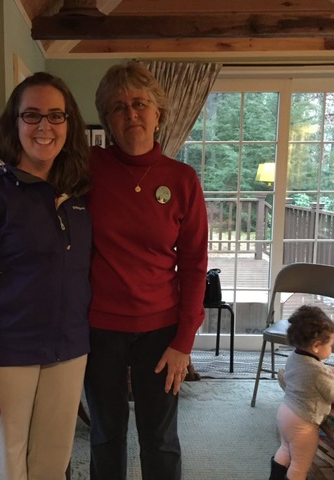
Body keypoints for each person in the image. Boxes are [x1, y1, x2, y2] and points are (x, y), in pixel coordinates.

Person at [0, 72, 91, 480]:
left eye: (56, 116)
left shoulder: (75, 198)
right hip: (7, 356)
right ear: (14, 123)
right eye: (32, 115)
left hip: (68, 350)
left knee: (53, 463)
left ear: (69, 125)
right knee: (6, 465)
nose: (45, 126)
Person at [85, 60, 209, 480]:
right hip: (98, 328)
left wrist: (184, 341)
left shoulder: (182, 180)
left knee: (159, 438)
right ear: (107, 118)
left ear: (159, 114)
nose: (131, 114)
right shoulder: (88, 169)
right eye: (118, 107)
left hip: (161, 331)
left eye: (140, 104)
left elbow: (194, 264)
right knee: (105, 433)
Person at [270, 305, 334, 480]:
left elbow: (305, 375)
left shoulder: (294, 356)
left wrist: (325, 372)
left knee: (285, 449)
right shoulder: (318, 372)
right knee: (299, 465)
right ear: (316, 345)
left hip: (285, 413)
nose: (331, 348)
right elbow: (333, 395)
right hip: (303, 423)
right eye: (329, 344)